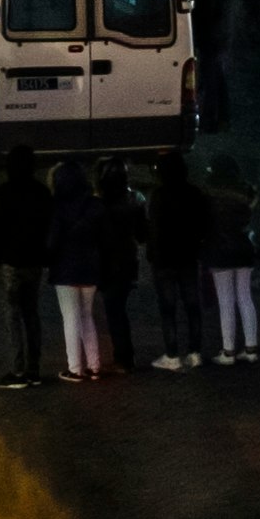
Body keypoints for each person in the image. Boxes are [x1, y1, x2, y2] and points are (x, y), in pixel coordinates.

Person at [0, 139, 59, 388]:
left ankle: (17, 370)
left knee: (12, 316)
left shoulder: (5, 192)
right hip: (35, 262)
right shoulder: (41, 193)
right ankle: (34, 368)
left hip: (11, 262)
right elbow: (49, 227)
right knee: (32, 315)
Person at [144, 153, 213, 370]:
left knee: (168, 308)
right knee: (193, 306)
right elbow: (204, 224)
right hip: (188, 257)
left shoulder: (159, 195)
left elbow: (154, 229)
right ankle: (194, 352)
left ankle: (172, 354)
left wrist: (152, 253)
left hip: (164, 259)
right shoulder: (194, 193)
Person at [46, 158, 109, 381]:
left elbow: (52, 240)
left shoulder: (57, 206)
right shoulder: (95, 204)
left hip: (65, 268)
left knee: (70, 318)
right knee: (86, 315)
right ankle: (94, 365)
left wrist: (48, 258)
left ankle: (75, 368)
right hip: (90, 266)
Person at [200, 154, 260, 367]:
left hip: (220, 248)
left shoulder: (208, 192)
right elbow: (249, 211)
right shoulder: (247, 190)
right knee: (245, 297)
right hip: (244, 246)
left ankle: (228, 352)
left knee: (226, 300)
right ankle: (251, 348)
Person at [88, 156, 148, 374]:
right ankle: (124, 356)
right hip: (128, 259)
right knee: (118, 310)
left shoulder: (98, 202)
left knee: (114, 311)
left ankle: (123, 358)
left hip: (106, 260)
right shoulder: (136, 198)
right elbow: (143, 234)